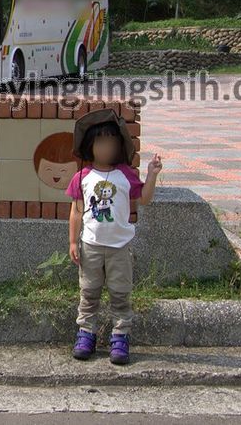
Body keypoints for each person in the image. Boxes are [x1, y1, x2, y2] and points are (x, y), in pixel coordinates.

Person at [65, 108, 163, 365]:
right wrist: (73, 241)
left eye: (111, 142)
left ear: (119, 145)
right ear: (90, 145)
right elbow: (76, 212)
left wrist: (152, 175)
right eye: (100, 141)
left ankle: (120, 335)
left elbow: (144, 199)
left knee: (120, 293)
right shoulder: (82, 177)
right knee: (89, 292)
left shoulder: (126, 175)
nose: (106, 147)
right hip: (91, 246)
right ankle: (86, 332)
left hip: (120, 247)